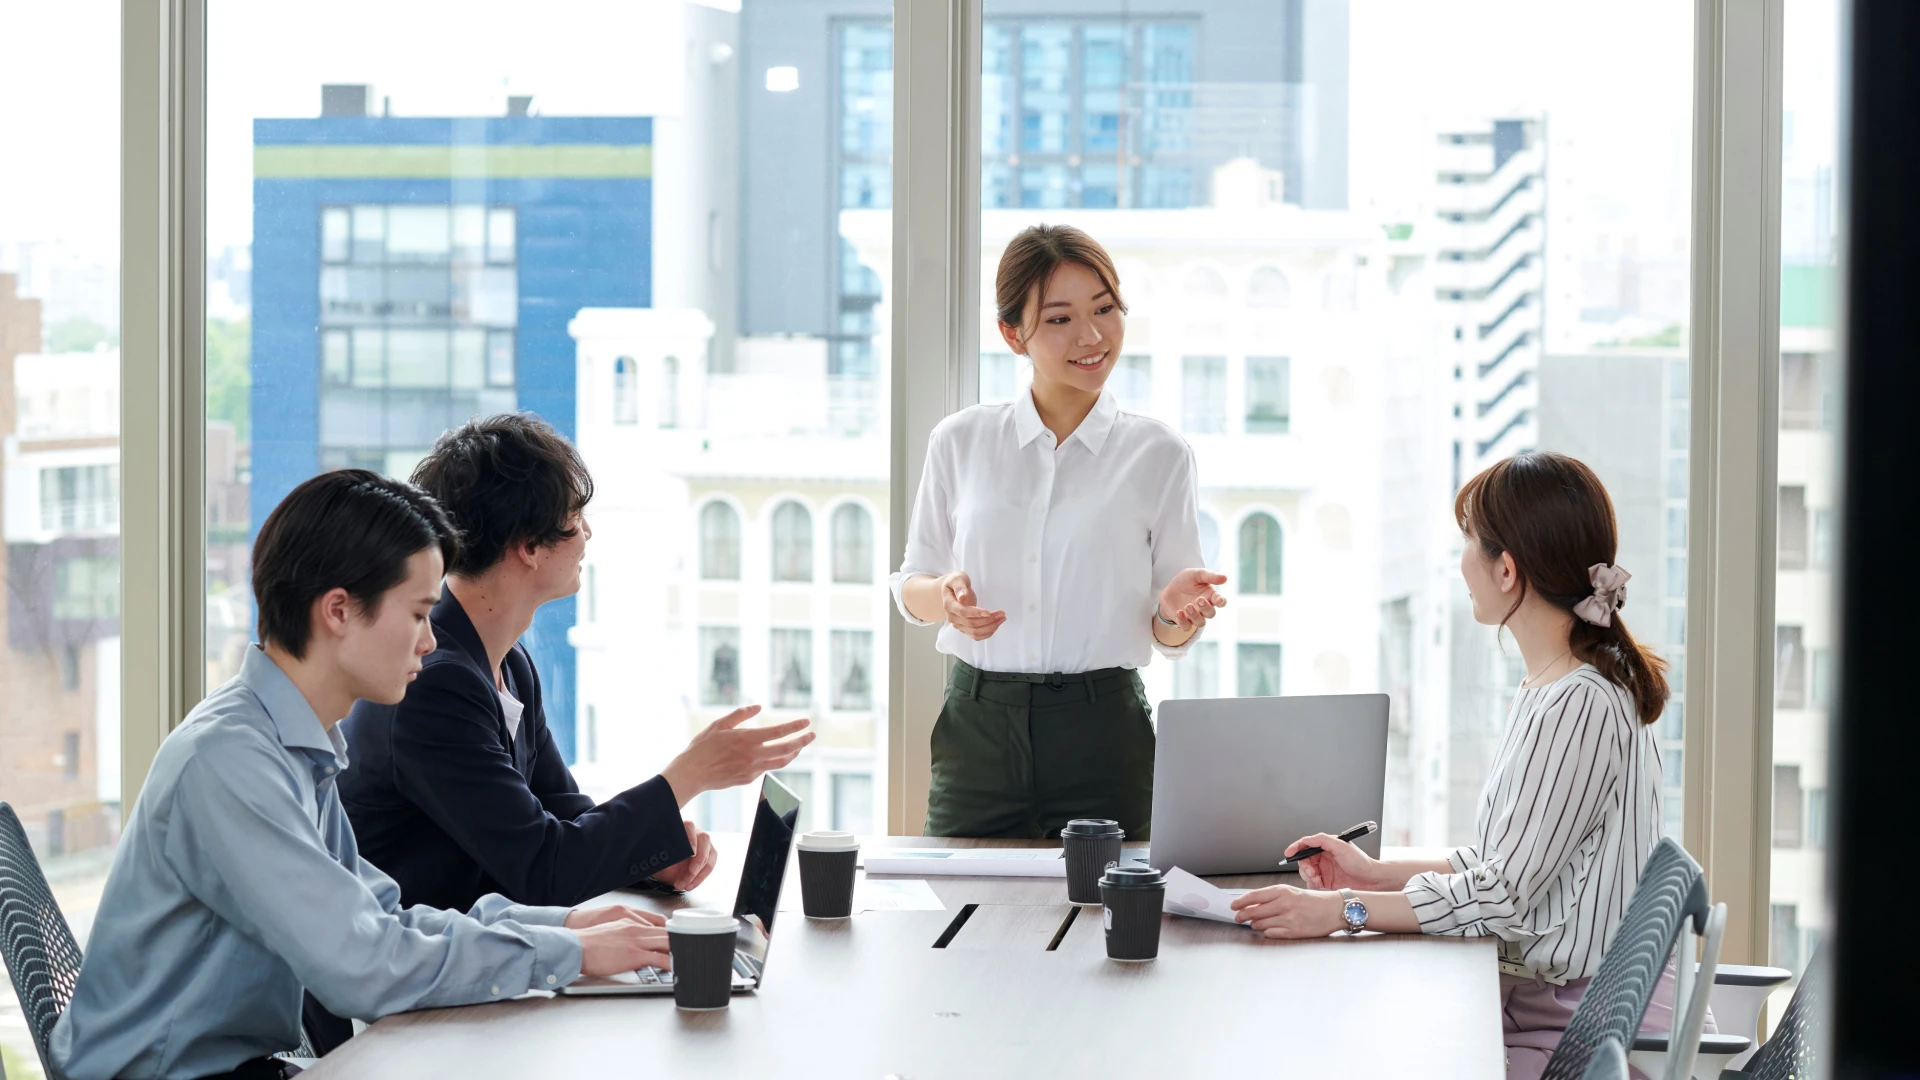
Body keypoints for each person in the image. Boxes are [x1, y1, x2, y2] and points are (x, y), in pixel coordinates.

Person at [51, 471, 674, 1080]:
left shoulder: (291, 743)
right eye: (419, 614)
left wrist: (562, 928)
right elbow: (363, 966)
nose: (431, 642)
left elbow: (385, 916)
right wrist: (564, 956)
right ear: (340, 611)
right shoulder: (231, 762)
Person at [1228, 451, 1698, 1080]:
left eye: (1468, 544)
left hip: (1584, 1026)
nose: (1461, 564)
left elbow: (1501, 897)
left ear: (1506, 569)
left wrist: (1342, 910)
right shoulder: (1552, 685)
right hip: (1553, 1002)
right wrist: (1374, 874)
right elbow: (1507, 864)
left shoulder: (1580, 703)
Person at [340, 413, 813, 917]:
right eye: (573, 516)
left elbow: (562, 817)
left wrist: (644, 859)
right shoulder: (434, 681)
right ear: (528, 546)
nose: (587, 532)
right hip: (424, 968)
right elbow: (545, 871)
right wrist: (691, 774)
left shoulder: (508, 660)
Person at [890, 223, 1227, 839]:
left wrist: (1179, 613)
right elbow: (912, 581)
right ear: (1012, 334)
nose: (1092, 336)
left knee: (1109, 925)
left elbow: (1168, 628)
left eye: (1105, 310)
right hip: (978, 733)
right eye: (1060, 319)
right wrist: (943, 599)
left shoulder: (1159, 454)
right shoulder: (960, 441)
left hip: (1104, 734)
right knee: (960, 922)